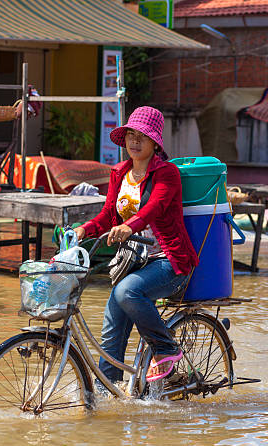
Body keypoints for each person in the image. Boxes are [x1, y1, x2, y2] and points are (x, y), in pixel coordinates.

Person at [74, 106, 199, 384]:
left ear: (155, 142)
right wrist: (84, 230)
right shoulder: (119, 172)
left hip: (169, 262)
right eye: (130, 134)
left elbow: (154, 208)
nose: (134, 141)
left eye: (142, 135)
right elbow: (109, 215)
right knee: (111, 329)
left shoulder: (167, 174)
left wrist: (129, 226)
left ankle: (166, 347)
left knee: (126, 292)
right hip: (133, 262)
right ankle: (107, 393)